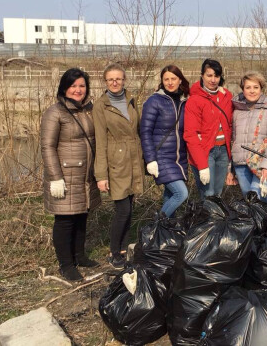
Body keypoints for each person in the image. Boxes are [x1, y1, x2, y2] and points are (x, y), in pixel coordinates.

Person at [41, 68, 101, 281]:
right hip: (65, 175)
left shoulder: (90, 110)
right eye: (74, 85)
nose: (78, 90)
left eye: (82, 86)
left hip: (86, 175)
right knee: (65, 220)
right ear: (65, 88)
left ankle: (80, 255)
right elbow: (47, 146)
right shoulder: (55, 112)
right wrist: (55, 177)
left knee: (82, 215)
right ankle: (66, 265)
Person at [93, 63, 144, 268]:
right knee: (122, 209)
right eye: (110, 79)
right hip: (116, 162)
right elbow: (100, 140)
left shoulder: (131, 100)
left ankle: (124, 249)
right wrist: (101, 175)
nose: (115, 82)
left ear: (124, 80)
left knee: (129, 207)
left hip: (133, 159)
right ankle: (114, 252)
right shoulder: (100, 105)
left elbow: (136, 131)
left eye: (118, 79)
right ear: (105, 82)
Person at [140, 65, 190, 217]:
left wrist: (220, 87)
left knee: (170, 196)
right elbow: (145, 132)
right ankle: (157, 226)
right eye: (166, 79)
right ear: (162, 81)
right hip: (161, 157)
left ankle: (166, 233)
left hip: (179, 158)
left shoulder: (184, 101)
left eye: (173, 78)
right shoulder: (154, 101)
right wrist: (150, 160)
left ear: (179, 79)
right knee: (181, 194)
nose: (170, 82)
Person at [227, 72, 267, 203]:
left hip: (262, 165)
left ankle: (264, 223)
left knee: (258, 201)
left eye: (255, 87)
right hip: (241, 165)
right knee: (249, 205)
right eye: (248, 87)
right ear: (243, 89)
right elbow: (234, 140)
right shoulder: (237, 111)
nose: (252, 91)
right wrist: (230, 169)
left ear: (261, 88)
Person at [183, 59, 233, 199]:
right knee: (208, 193)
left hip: (223, 151)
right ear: (202, 76)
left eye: (216, 76)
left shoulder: (226, 97)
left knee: (217, 194)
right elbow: (190, 134)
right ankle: (206, 220)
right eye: (209, 75)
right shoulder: (195, 100)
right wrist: (202, 164)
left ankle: (214, 220)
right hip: (205, 152)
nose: (213, 80)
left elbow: (230, 124)